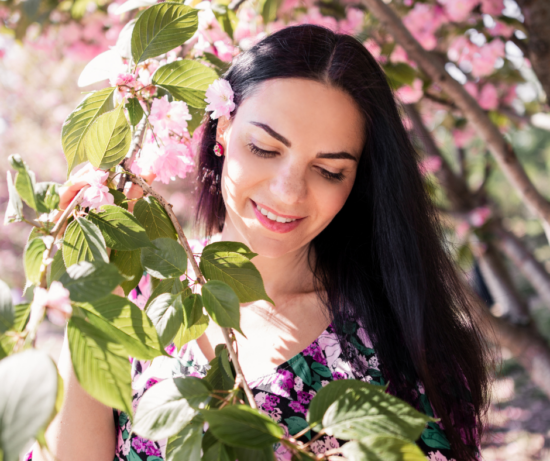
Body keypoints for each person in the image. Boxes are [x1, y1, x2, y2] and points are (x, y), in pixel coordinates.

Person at [32, 24, 492, 461]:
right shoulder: (139, 295)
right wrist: (97, 281)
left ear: (359, 181)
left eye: (330, 170)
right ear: (223, 131)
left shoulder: (398, 346)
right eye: (265, 149)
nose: (288, 192)